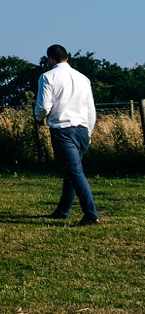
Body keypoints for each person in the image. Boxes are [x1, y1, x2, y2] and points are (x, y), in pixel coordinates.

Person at [35, 44, 100, 225]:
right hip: (83, 129)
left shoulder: (47, 77)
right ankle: (63, 210)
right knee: (70, 171)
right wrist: (89, 131)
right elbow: (90, 109)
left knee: (74, 172)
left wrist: (37, 117)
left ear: (50, 59)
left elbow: (44, 107)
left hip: (63, 130)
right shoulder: (83, 79)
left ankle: (90, 214)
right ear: (67, 57)